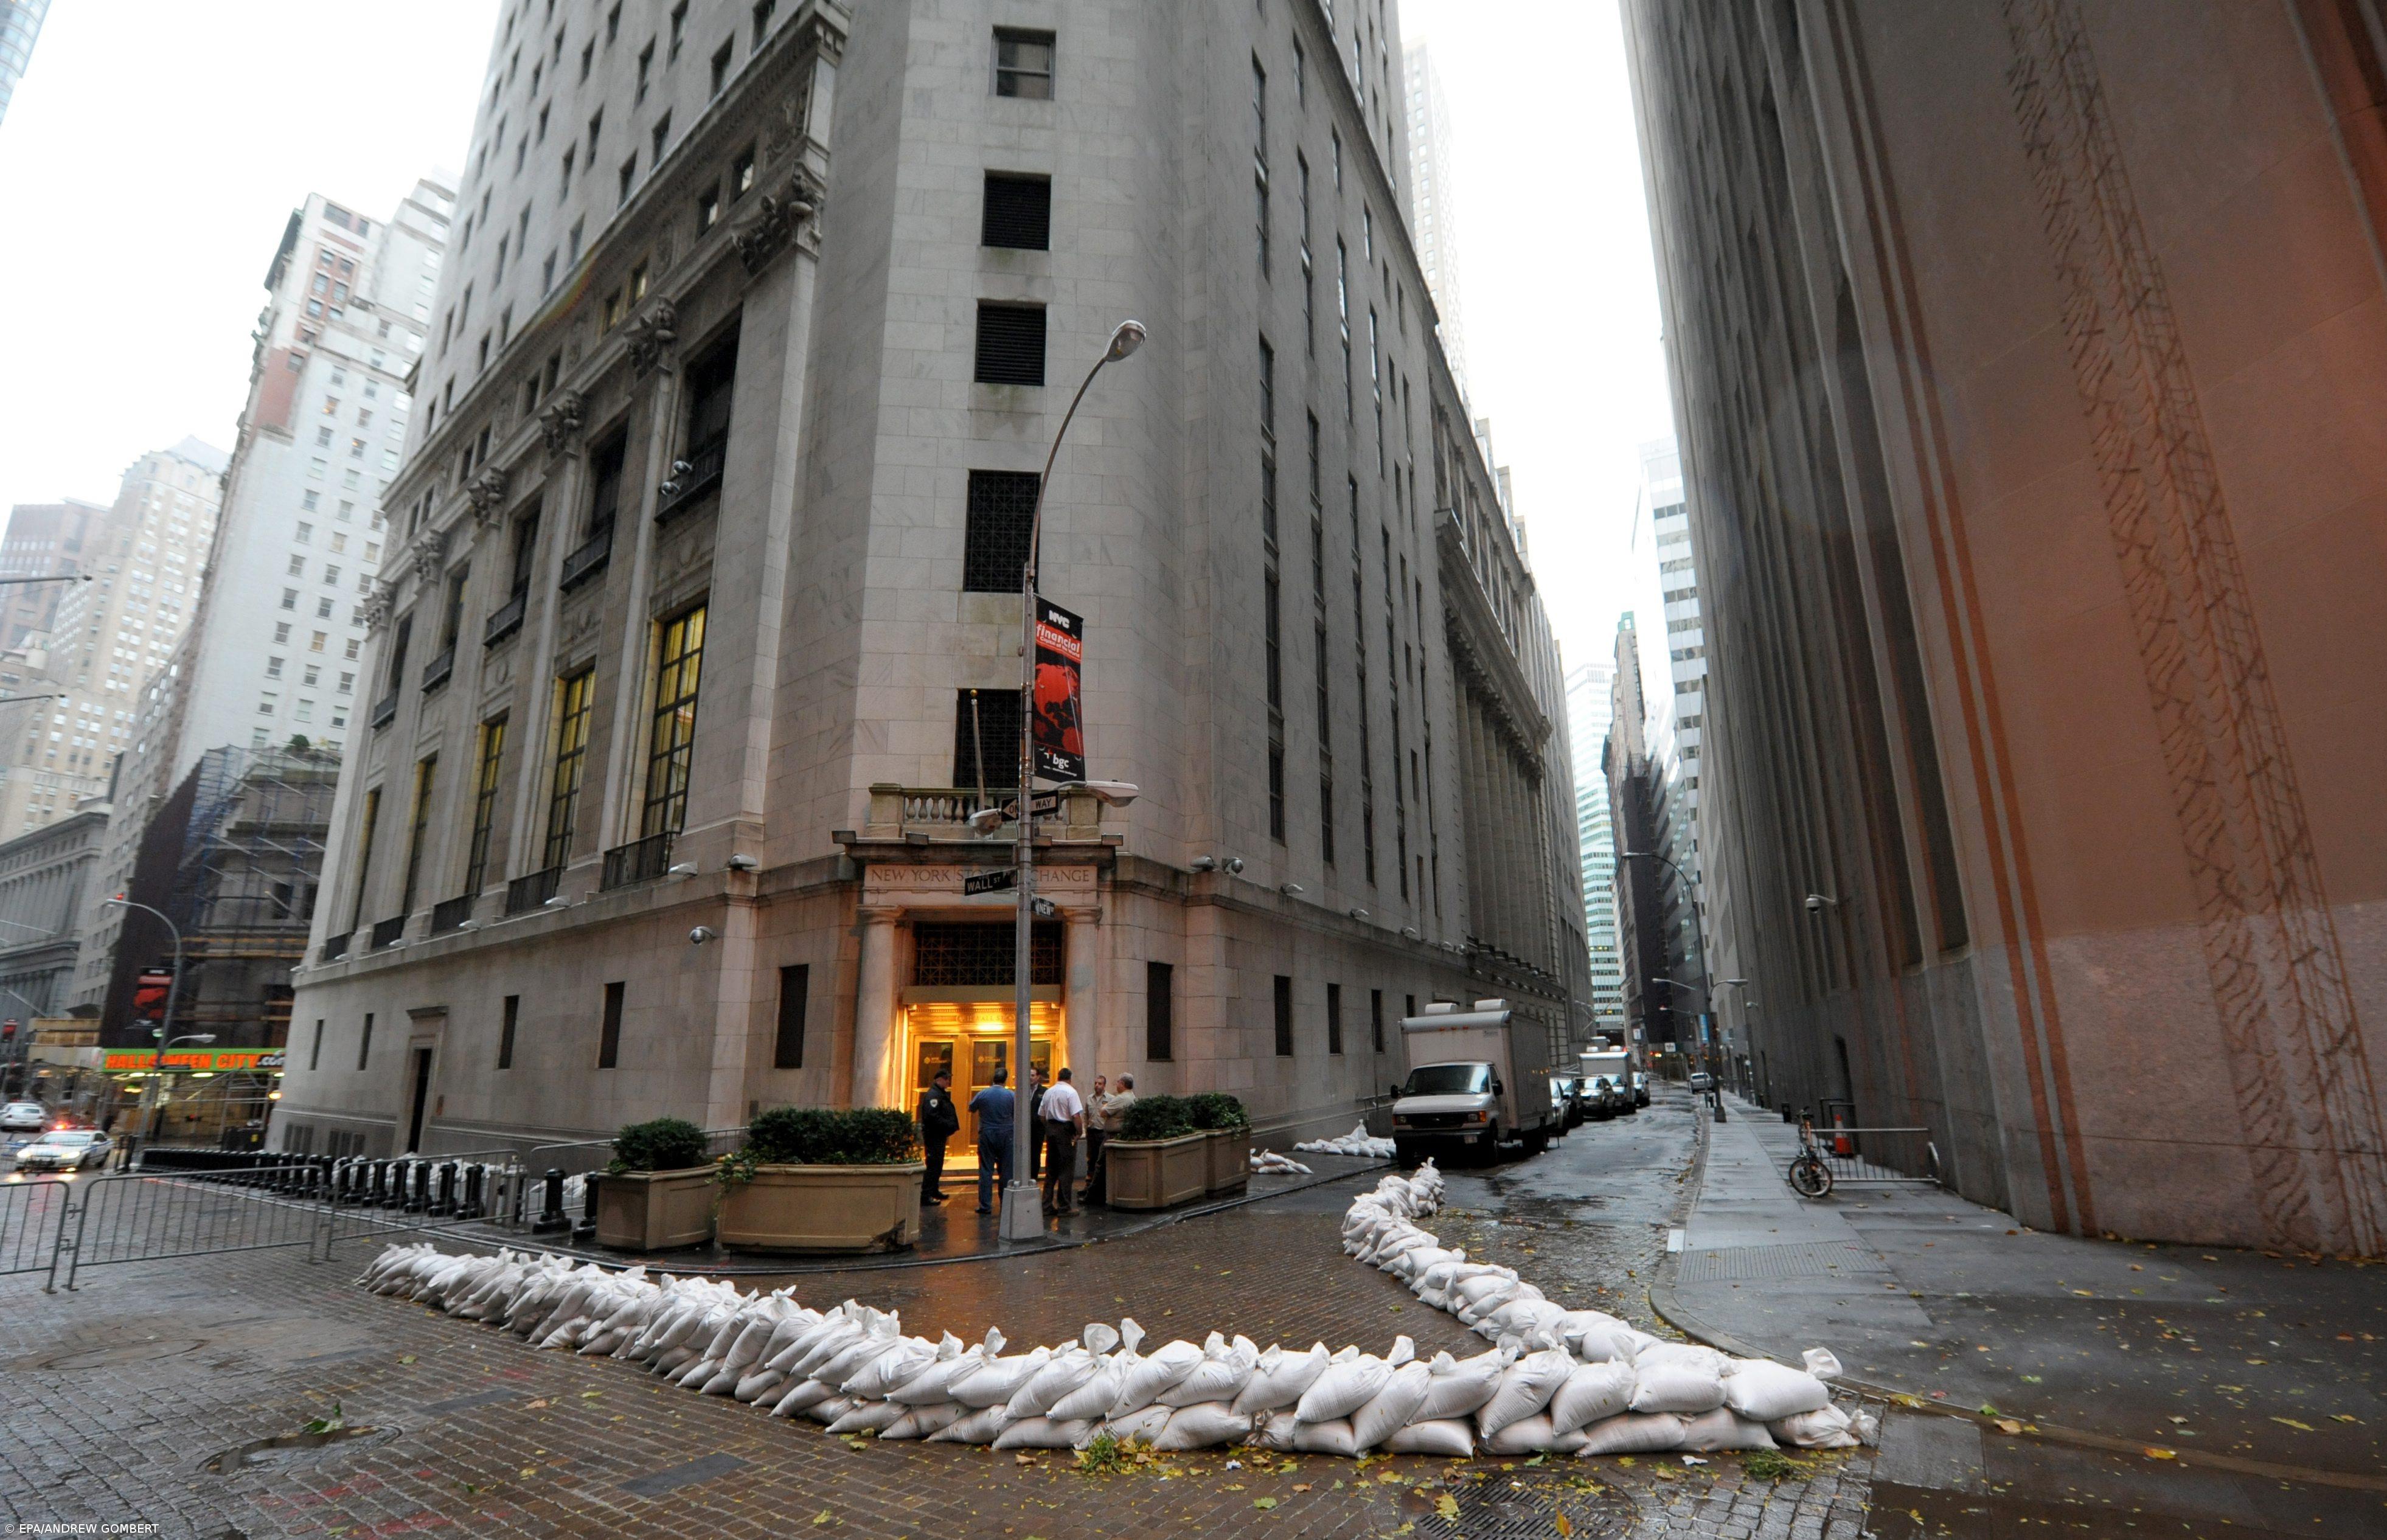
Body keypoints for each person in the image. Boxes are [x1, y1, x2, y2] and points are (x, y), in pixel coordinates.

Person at [1039, 1066, 1086, 1216]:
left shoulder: (1048, 1092)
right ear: (1070, 1078)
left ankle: (1046, 1205)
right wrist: (1079, 1133)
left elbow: (1041, 1115)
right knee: (1066, 1169)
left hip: (1051, 1129)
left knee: (1051, 1169)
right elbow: (1076, 1117)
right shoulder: (1071, 1092)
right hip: (1065, 1131)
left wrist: (1049, 1127)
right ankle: (1064, 1206)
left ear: (1058, 1077)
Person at [969, 1069, 1015, 1215]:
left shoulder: (983, 1093)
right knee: (1006, 1171)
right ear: (1005, 1080)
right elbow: (1016, 1112)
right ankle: (1005, 1203)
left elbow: (972, 1108)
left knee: (986, 1170)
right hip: (1006, 1134)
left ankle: (985, 1205)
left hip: (987, 1134)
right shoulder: (1011, 1095)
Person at [916, 1067, 960, 1204]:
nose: (948, 1082)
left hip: (938, 1135)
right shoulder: (933, 1095)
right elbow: (932, 1116)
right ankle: (926, 1194)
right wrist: (947, 1124)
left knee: (937, 1164)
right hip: (934, 1135)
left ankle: (934, 1190)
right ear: (938, 1079)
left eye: (949, 1079)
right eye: (946, 1079)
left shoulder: (939, 1094)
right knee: (933, 1164)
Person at [1082, 1074, 1111, 1207]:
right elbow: (1086, 1115)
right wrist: (1086, 1129)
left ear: (1104, 1085)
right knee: (1091, 1159)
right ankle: (1089, 1186)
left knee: (1101, 1160)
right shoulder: (1089, 1099)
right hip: (1092, 1132)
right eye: (1096, 1083)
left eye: (1100, 1083)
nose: (1097, 1086)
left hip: (1102, 1132)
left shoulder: (1110, 1099)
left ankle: (1100, 1187)